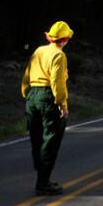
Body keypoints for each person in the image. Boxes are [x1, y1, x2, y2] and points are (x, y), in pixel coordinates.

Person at [21, 21, 74, 195]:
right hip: (48, 97)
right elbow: (57, 83)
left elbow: (27, 74)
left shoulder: (39, 50)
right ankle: (43, 183)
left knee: (36, 138)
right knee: (50, 140)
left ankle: (41, 176)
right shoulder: (59, 55)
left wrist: (26, 93)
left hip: (33, 96)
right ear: (65, 39)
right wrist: (62, 105)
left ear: (50, 37)